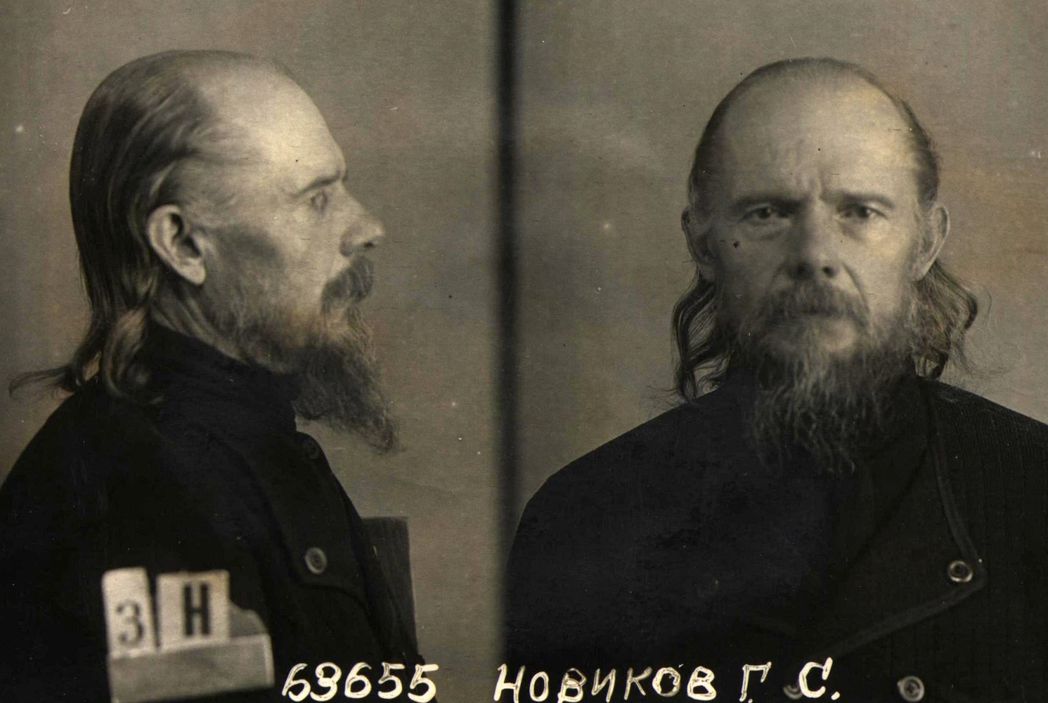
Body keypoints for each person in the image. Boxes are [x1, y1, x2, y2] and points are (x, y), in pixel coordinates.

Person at [507, 58, 1048, 701]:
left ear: (925, 243)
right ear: (703, 244)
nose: (814, 255)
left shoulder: (1034, 492)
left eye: (861, 212)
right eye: (767, 213)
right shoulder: (586, 519)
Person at [0, 51, 421, 701]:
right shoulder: (145, 490)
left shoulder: (239, 445)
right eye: (316, 200)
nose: (367, 227)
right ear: (182, 244)